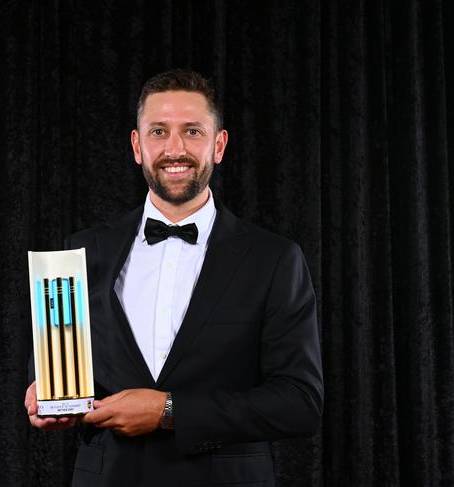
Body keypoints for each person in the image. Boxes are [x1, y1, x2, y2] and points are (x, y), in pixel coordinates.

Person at [25, 69, 323, 486]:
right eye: (159, 131)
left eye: (193, 132)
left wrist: (170, 412)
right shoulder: (83, 249)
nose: (175, 149)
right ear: (137, 145)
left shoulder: (274, 259)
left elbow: (299, 402)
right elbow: (61, 368)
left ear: (218, 146)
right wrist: (46, 397)